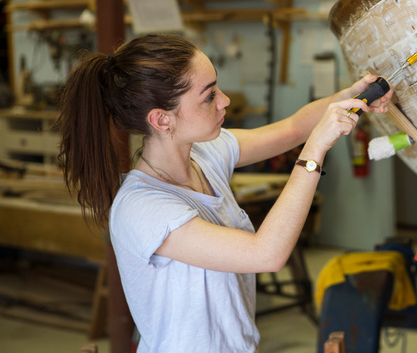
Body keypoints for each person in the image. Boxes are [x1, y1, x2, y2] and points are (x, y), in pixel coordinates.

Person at [56, 33, 394, 353]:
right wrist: (315, 150)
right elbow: (267, 254)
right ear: (162, 120)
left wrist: (350, 96)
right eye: (209, 96)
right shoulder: (142, 208)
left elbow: (292, 128)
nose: (225, 101)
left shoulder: (206, 153)